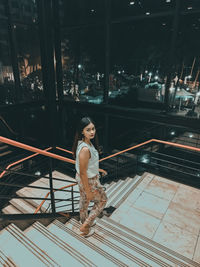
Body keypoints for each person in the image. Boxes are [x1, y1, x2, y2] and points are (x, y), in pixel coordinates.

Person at [72, 117, 108, 237]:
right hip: (87, 179)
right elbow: (83, 172)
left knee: (84, 201)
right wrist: (88, 191)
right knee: (102, 200)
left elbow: (87, 165)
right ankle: (85, 226)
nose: (92, 132)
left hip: (83, 177)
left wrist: (99, 170)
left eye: (93, 129)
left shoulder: (82, 142)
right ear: (82, 131)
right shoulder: (85, 149)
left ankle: (84, 221)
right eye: (88, 130)